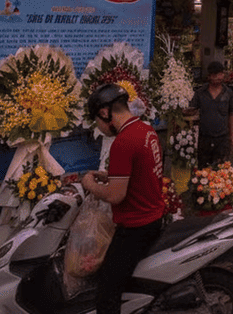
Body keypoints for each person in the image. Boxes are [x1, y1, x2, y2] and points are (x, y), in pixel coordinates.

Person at [81, 84, 164, 314]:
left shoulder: (123, 142)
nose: (99, 127)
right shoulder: (146, 131)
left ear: (105, 113)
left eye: (96, 121)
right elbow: (142, 172)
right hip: (154, 216)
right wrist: (110, 176)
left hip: (136, 227)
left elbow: (116, 196)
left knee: (106, 292)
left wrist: (89, 184)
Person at [188, 61, 233, 168]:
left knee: (221, 170)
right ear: (209, 76)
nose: (219, 77)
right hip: (204, 138)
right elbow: (191, 110)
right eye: (215, 75)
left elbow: (231, 114)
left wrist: (232, 138)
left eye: (221, 74)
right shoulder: (200, 93)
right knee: (203, 170)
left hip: (222, 139)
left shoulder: (228, 93)